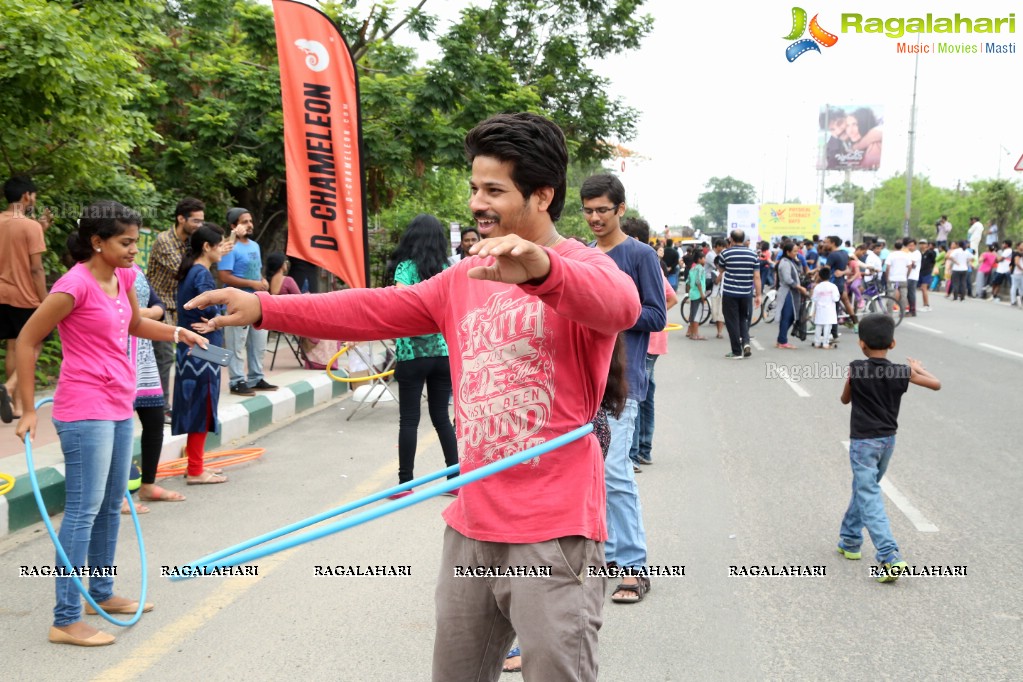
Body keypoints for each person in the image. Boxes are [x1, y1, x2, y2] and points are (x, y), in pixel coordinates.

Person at [185, 112, 641, 680]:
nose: (478, 201)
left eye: (494, 189)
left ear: (542, 195)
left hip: (553, 532)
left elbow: (621, 305)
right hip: (472, 520)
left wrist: (542, 269)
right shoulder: (462, 277)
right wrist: (266, 307)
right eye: (475, 187)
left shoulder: (578, 265)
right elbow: (371, 307)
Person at [14, 200, 207, 646]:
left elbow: (136, 324)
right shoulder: (71, 286)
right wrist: (27, 410)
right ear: (96, 242)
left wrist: (181, 333)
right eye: (125, 242)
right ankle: (64, 618)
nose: (133, 250)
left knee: (109, 505)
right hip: (84, 407)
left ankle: (98, 591)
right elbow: (27, 340)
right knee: (82, 510)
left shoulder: (122, 277)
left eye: (136, 241)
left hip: (121, 402)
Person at [582, 172, 665, 604]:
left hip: (624, 381)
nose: (595, 218)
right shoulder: (580, 255)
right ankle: (608, 555)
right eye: (589, 210)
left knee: (615, 474)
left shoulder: (639, 255)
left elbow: (656, 313)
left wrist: (614, 310)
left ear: (621, 210)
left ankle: (634, 567)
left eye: (603, 210)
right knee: (588, 477)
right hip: (582, 382)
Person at [837, 314, 940, 581]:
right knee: (865, 488)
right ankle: (849, 540)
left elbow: (844, 399)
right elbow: (936, 384)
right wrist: (917, 367)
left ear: (861, 344)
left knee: (868, 492)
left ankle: (889, 555)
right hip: (887, 442)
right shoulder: (900, 371)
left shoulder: (857, 367)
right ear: (893, 344)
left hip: (862, 442)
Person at [385, 214, 459, 499]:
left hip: (411, 352)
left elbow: (401, 299)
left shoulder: (406, 268)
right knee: (442, 416)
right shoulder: (445, 268)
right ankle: (455, 480)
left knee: (409, 420)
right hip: (442, 352)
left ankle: (406, 485)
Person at [172, 223, 230, 485]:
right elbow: (212, 310)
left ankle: (196, 464)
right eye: (219, 246)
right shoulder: (202, 275)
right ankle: (195, 469)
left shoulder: (190, 272)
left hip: (191, 347)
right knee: (202, 407)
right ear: (207, 247)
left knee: (197, 405)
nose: (222, 251)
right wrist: (216, 321)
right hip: (203, 348)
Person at [128, 264, 186, 511]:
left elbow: (159, 306)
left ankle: (148, 485)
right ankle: (116, 495)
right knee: (117, 429)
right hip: (116, 357)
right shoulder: (100, 273)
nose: (132, 247)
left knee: (153, 420)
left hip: (143, 356)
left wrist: (144, 315)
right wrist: (141, 316)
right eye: (126, 241)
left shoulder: (136, 269)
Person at [620, 217, 677, 467]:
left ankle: (636, 451)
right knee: (644, 395)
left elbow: (668, 300)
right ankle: (643, 449)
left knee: (638, 396)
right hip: (648, 342)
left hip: (648, 343)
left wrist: (628, 314)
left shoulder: (645, 261)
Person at [148, 197, 205, 423]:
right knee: (163, 357)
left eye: (202, 222)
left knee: (187, 353)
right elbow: (183, 270)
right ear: (181, 219)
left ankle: (178, 402)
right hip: (159, 306)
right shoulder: (164, 241)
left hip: (181, 306)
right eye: (195, 221)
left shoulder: (191, 243)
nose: (199, 226)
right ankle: (161, 407)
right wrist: (207, 251)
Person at [1, 176, 51, 423]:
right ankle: (9, 388)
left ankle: (16, 405)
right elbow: (36, 269)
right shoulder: (29, 226)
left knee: (13, 344)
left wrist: (40, 229)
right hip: (26, 296)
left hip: (1, 294)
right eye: (34, 195)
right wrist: (45, 301)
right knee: (34, 342)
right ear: (26, 196)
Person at [218, 207, 276, 396]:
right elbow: (225, 276)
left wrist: (262, 280)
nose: (250, 225)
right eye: (244, 222)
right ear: (233, 226)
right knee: (236, 343)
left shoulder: (254, 246)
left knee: (258, 341)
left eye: (250, 221)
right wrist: (252, 283)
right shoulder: (228, 247)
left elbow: (256, 270)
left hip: (257, 300)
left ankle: (256, 377)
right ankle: (236, 381)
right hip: (237, 301)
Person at [717, 229, 761, 358]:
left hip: (730, 293)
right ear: (743, 239)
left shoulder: (725, 253)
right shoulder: (753, 255)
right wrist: (758, 295)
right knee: (743, 318)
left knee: (732, 321)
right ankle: (746, 342)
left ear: (731, 238)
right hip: (746, 293)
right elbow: (757, 277)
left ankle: (736, 350)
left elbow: (721, 270)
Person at [775, 241, 808, 349]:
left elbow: (799, 272)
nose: (796, 253)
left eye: (797, 251)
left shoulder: (791, 261)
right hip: (787, 292)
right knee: (788, 316)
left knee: (791, 316)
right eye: (794, 251)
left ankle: (781, 339)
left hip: (793, 293)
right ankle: (782, 341)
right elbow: (788, 279)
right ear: (788, 252)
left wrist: (798, 261)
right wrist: (800, 288)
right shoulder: (785, 262)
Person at [812, 266, 839, 349]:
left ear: (819, 276)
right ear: (830, 276)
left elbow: (814, 298)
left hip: (820, 309)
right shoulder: (833, 286)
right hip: (829, 309)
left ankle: (817, 342)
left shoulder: (817, 287)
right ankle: (825, 343)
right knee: (828, 326)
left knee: (818, 326)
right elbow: (836, 298)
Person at [686, 249, 707, 341]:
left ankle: (692, 333)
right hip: (698, 294)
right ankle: (695, 334)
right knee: (697, 314)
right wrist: (702, 294)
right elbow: (698, 281)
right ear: (699, 259)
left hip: (693, 293)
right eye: (703, 258)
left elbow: (688, 282)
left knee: (693, 313)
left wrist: (689, 292)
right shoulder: (700, 269)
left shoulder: (692, 269)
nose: (705, 260)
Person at [707, 239, 726, 339]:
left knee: (721, 314)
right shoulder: (714, 272)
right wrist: (722, 273)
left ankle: (720, 332)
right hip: (715, 294)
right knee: (715, 313)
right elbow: (716, 281)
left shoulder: (726, 273)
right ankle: (718, 330)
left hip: (723, 294)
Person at [916, 240, 935, 310]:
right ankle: (924, 304)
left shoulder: (930, 253)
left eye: (923, 244)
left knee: (924, 288)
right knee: (921, 288)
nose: (922, 245)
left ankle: (926, 305)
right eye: (920, 244)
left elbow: (933, 260)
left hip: (927, 272)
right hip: (919, 272)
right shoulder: (918, 253)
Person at [904, 238, 921, 317]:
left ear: (915, 246)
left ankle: (913, 310)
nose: (910, 247)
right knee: (907, 294)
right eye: (909, 245)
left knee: (911, 294)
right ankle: (909, 309)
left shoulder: (916, 253)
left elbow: (911, 263)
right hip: (906, 276)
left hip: (912, 276)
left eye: (912, 245)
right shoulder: (908, 253)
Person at [1010, 243, 1023, 307]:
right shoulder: (1016, 253)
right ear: (1018, 246)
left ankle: (1019, 301)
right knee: (1015, 286)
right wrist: (1022, 269)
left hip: (1020, 273)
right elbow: (1017, 263)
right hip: (1016, 272)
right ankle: (1013, 301)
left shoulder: (1019, 253)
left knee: (1021, 287)